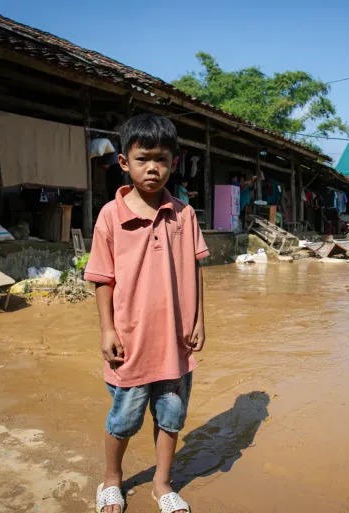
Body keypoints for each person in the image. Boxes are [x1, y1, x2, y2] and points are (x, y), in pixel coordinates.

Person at [84, 114, 209, 513]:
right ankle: (111, 479)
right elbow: (102, 278)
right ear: (124, 162)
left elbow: (195, 270)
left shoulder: (184, 215)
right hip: (131, 342)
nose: (152, 168)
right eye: (142, 159)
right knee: (123, 419)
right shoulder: (110, 216)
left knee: (171, 417)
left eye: (161, 159)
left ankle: (162, 484)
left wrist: (199, 321)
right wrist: (107, 330)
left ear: (174, 162)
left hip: (176, 343)